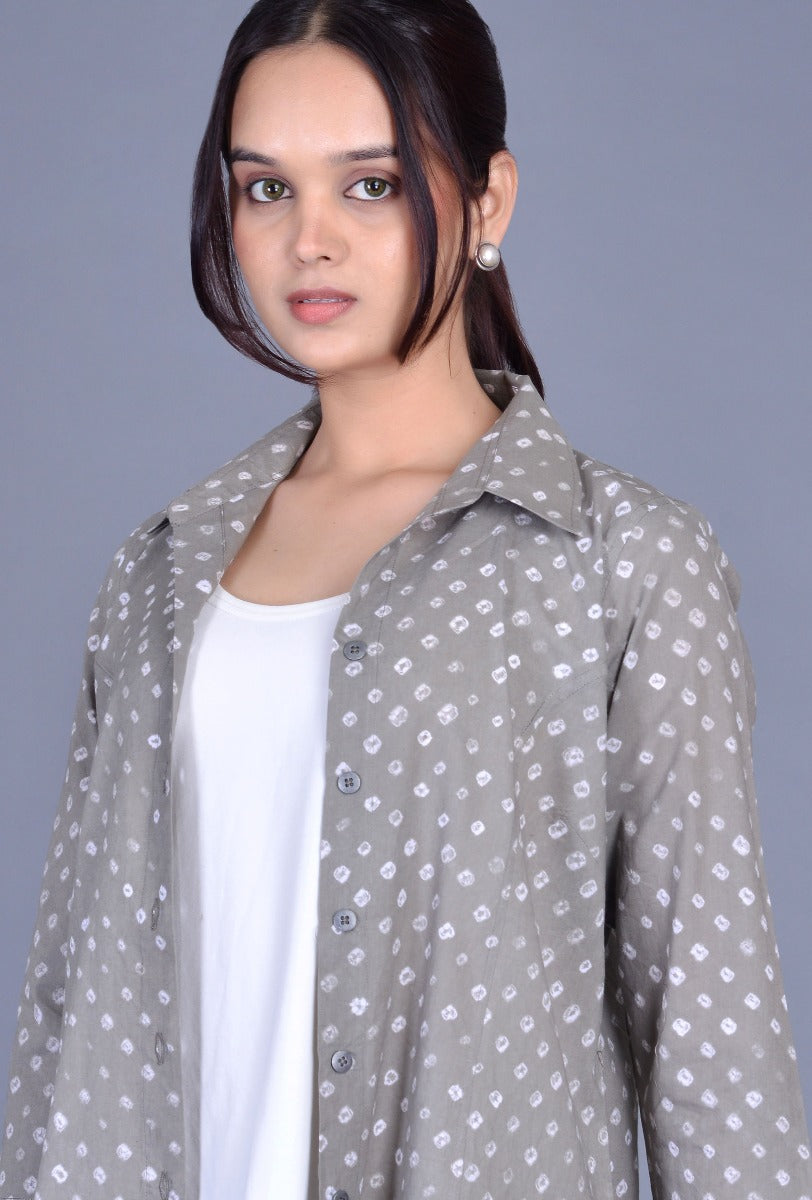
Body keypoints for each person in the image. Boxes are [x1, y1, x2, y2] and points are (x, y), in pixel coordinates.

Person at [1, 0, 810, 1197]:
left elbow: (711, 1048)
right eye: (265, 189)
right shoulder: (160, 573)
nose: (308, 240)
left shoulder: (620, 567)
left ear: (487, 202)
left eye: (369, 185)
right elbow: (63, 1011)